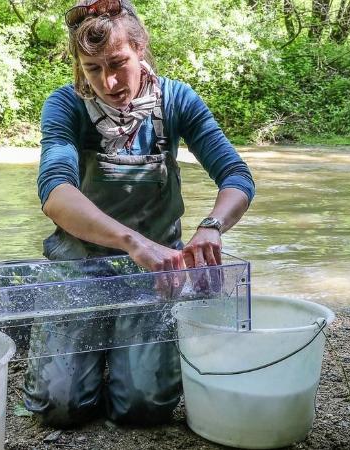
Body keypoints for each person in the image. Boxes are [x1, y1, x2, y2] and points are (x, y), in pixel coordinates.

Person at [24, 0, 255, 428]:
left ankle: (121, 350)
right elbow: (55, 193)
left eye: (118, 63)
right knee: (59, 408)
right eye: (92, 68)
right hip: (80, 265)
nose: (108, 81)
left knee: (144, 407)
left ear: (141, 48)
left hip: (157, 271)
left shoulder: (178, 100)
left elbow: (237, 176)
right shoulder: (65, 105)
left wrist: (211, 227)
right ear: (78, 66)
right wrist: (133, 241)